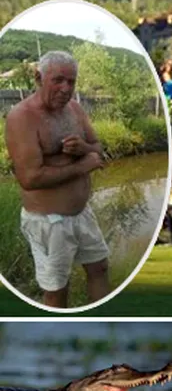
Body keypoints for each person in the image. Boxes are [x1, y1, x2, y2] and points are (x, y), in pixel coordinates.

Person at [4, 51, 109, 309]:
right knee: (57, 289)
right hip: (49, 222)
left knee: (99, 268)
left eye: (71, 82)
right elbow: (29, 178)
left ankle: (105, 328)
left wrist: (84, 147)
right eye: (58, 80)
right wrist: (84, 165)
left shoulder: (75, 108)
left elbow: (98, 148)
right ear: (39, 78)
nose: (66, 89)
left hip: (82, 214)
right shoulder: (22, 117)